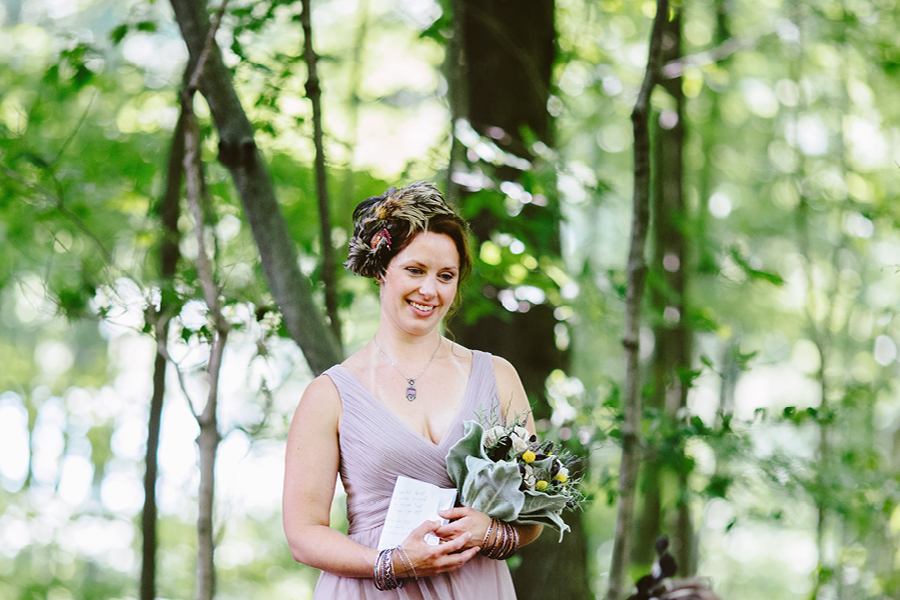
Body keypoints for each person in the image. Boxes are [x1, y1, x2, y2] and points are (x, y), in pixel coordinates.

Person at [283, 181, 542, 599]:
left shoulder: (498, 376)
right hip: (373, 589)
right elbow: (302, 533)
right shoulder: (329, 394)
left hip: (476, 586)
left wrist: (491, 531)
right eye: (415, 270)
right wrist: (394, 562)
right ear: (383, 269)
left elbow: (535, 512)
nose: (430, 291)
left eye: (446, 276)